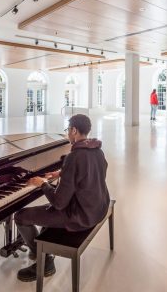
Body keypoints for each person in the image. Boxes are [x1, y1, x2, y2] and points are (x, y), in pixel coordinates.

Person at [15, 114, 110, 282]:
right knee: (44, 216)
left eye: (68, 130)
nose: (67, 134)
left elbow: (59, 203)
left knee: (21, 216)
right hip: (98, 208)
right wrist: (62, 173)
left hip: (80, 216)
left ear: (74, 130)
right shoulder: (97, 150)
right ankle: (40, 245)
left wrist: (42, 183)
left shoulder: (74, 157)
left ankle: (44, 261)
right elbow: (89, 172)